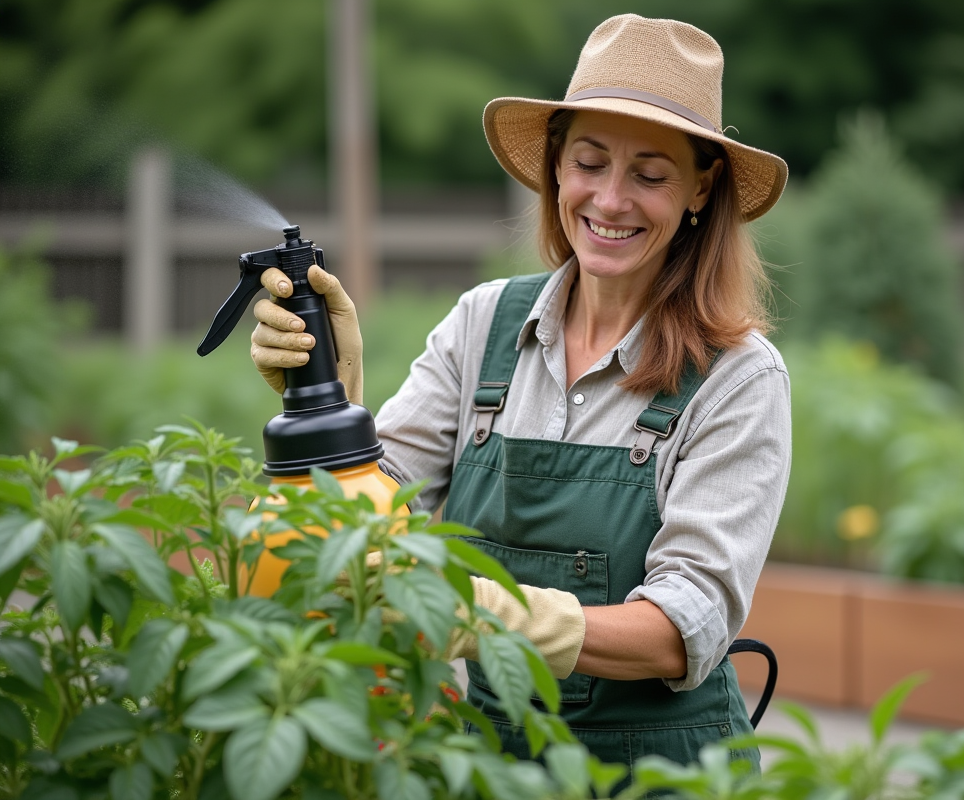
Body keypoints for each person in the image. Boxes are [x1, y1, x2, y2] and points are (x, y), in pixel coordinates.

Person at [249, 13, 790, 774]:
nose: (609, 200)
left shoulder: (738, 379)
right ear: (556, 169)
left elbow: (680, 628)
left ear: (701, 188)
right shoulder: (483, 325)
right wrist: (325, 401)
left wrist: (481, 613)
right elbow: (362, 528)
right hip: (483, 765)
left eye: (651, 174)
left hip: (657, 776)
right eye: (590, 163)